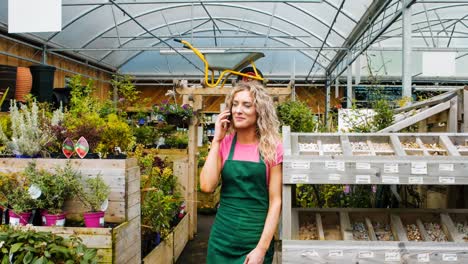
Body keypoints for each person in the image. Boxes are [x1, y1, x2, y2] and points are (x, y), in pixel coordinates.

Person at [200, 81, 283, 264]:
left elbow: (276, 201)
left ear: (259, 110)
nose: (238, 110)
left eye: (246, 105)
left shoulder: (272, 148)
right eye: (235, 104)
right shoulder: (225, 144)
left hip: (254, 240)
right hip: (222, 239)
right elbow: (206, 186)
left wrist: (261, 249)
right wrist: (216, 141)